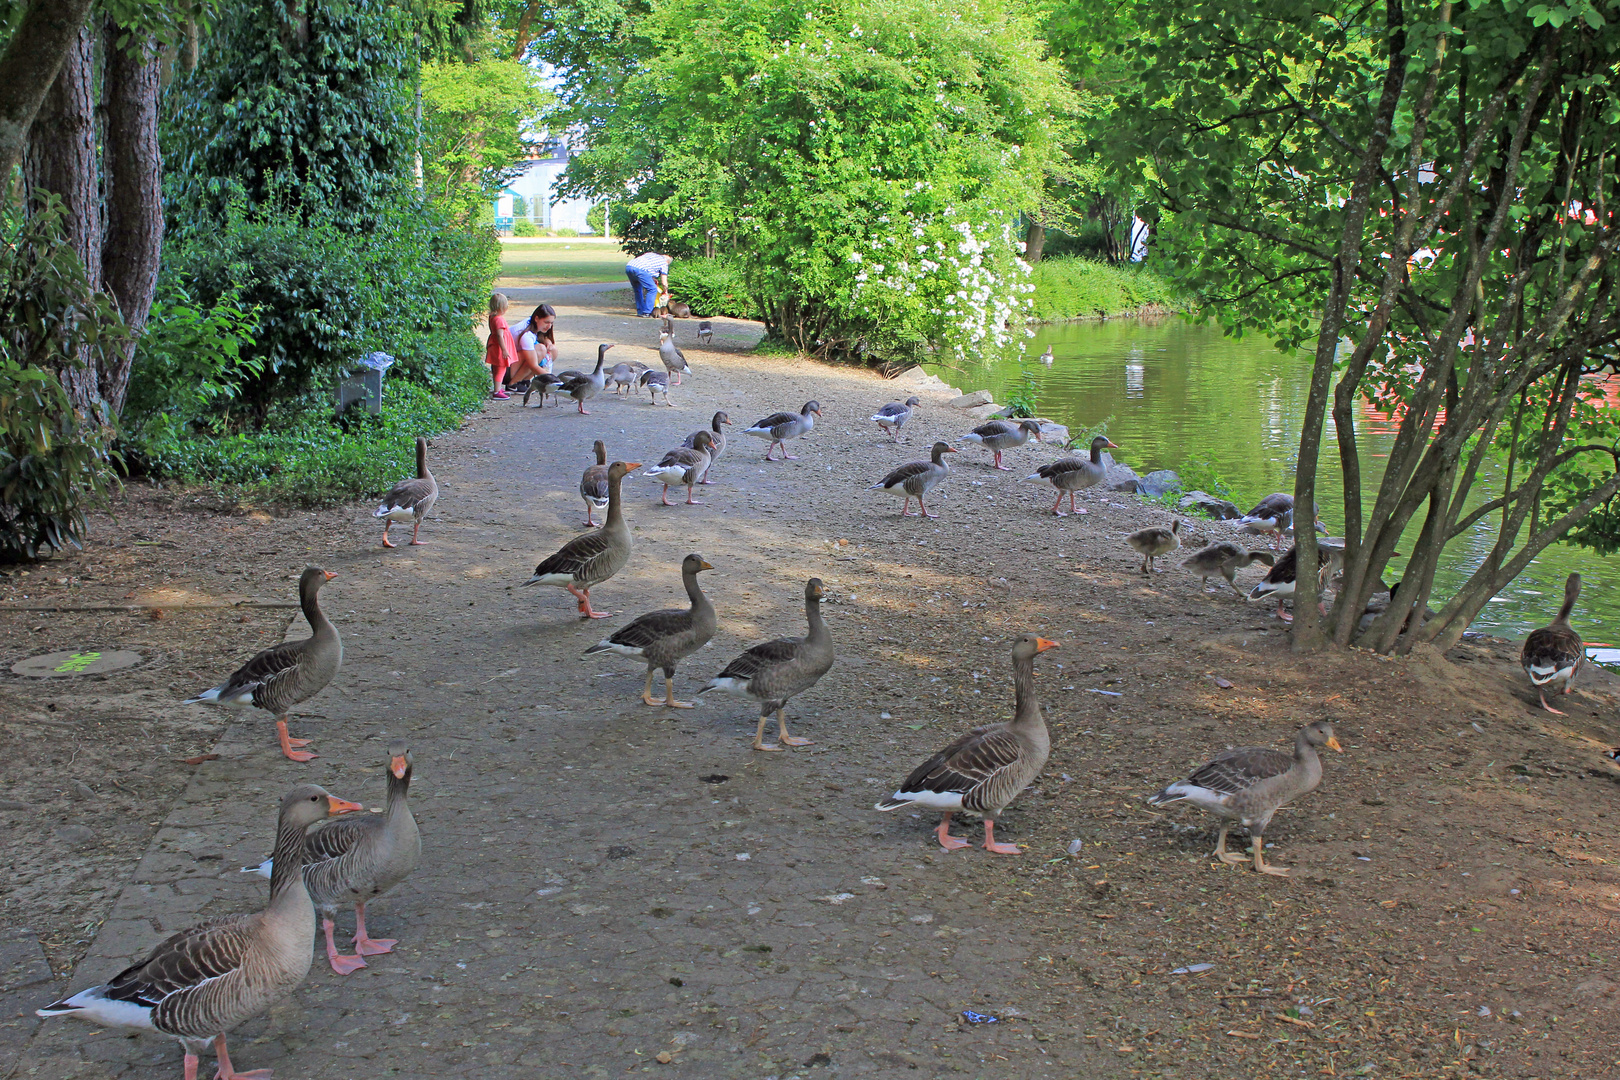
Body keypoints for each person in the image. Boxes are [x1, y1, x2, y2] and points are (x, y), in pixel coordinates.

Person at [504, 304, 557, 391]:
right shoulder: (526, 334)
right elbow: (533, 366)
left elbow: (542, 337)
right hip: (505, 369)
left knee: (553, 350)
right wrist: (553, 380)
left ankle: (525, 380)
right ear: (536, 318)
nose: (549, 326)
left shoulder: (533, 324)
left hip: (512, 364)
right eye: (546, 322)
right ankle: (513, 383)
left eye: (551, 323)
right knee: (540, 350)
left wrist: (548, 341)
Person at [484, 292, 517, 399]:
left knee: (496, 367)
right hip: (499, 347)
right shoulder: (499, 319)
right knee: (501, 368)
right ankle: (497, 391)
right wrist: (504, 349)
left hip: (493, 345)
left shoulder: (492, 317)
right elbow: (500, 335)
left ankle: (497, 388)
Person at [625, 251, 673, 318]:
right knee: (652, 289)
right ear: (667, 262)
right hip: (640, 270)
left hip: (629, 266)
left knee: (637, 290)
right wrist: (665, 291)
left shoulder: (651, 254)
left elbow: (648, 268)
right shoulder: (664, 263)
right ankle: (647, 312)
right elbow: (664, 282)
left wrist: (652, 278)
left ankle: (640, 311)